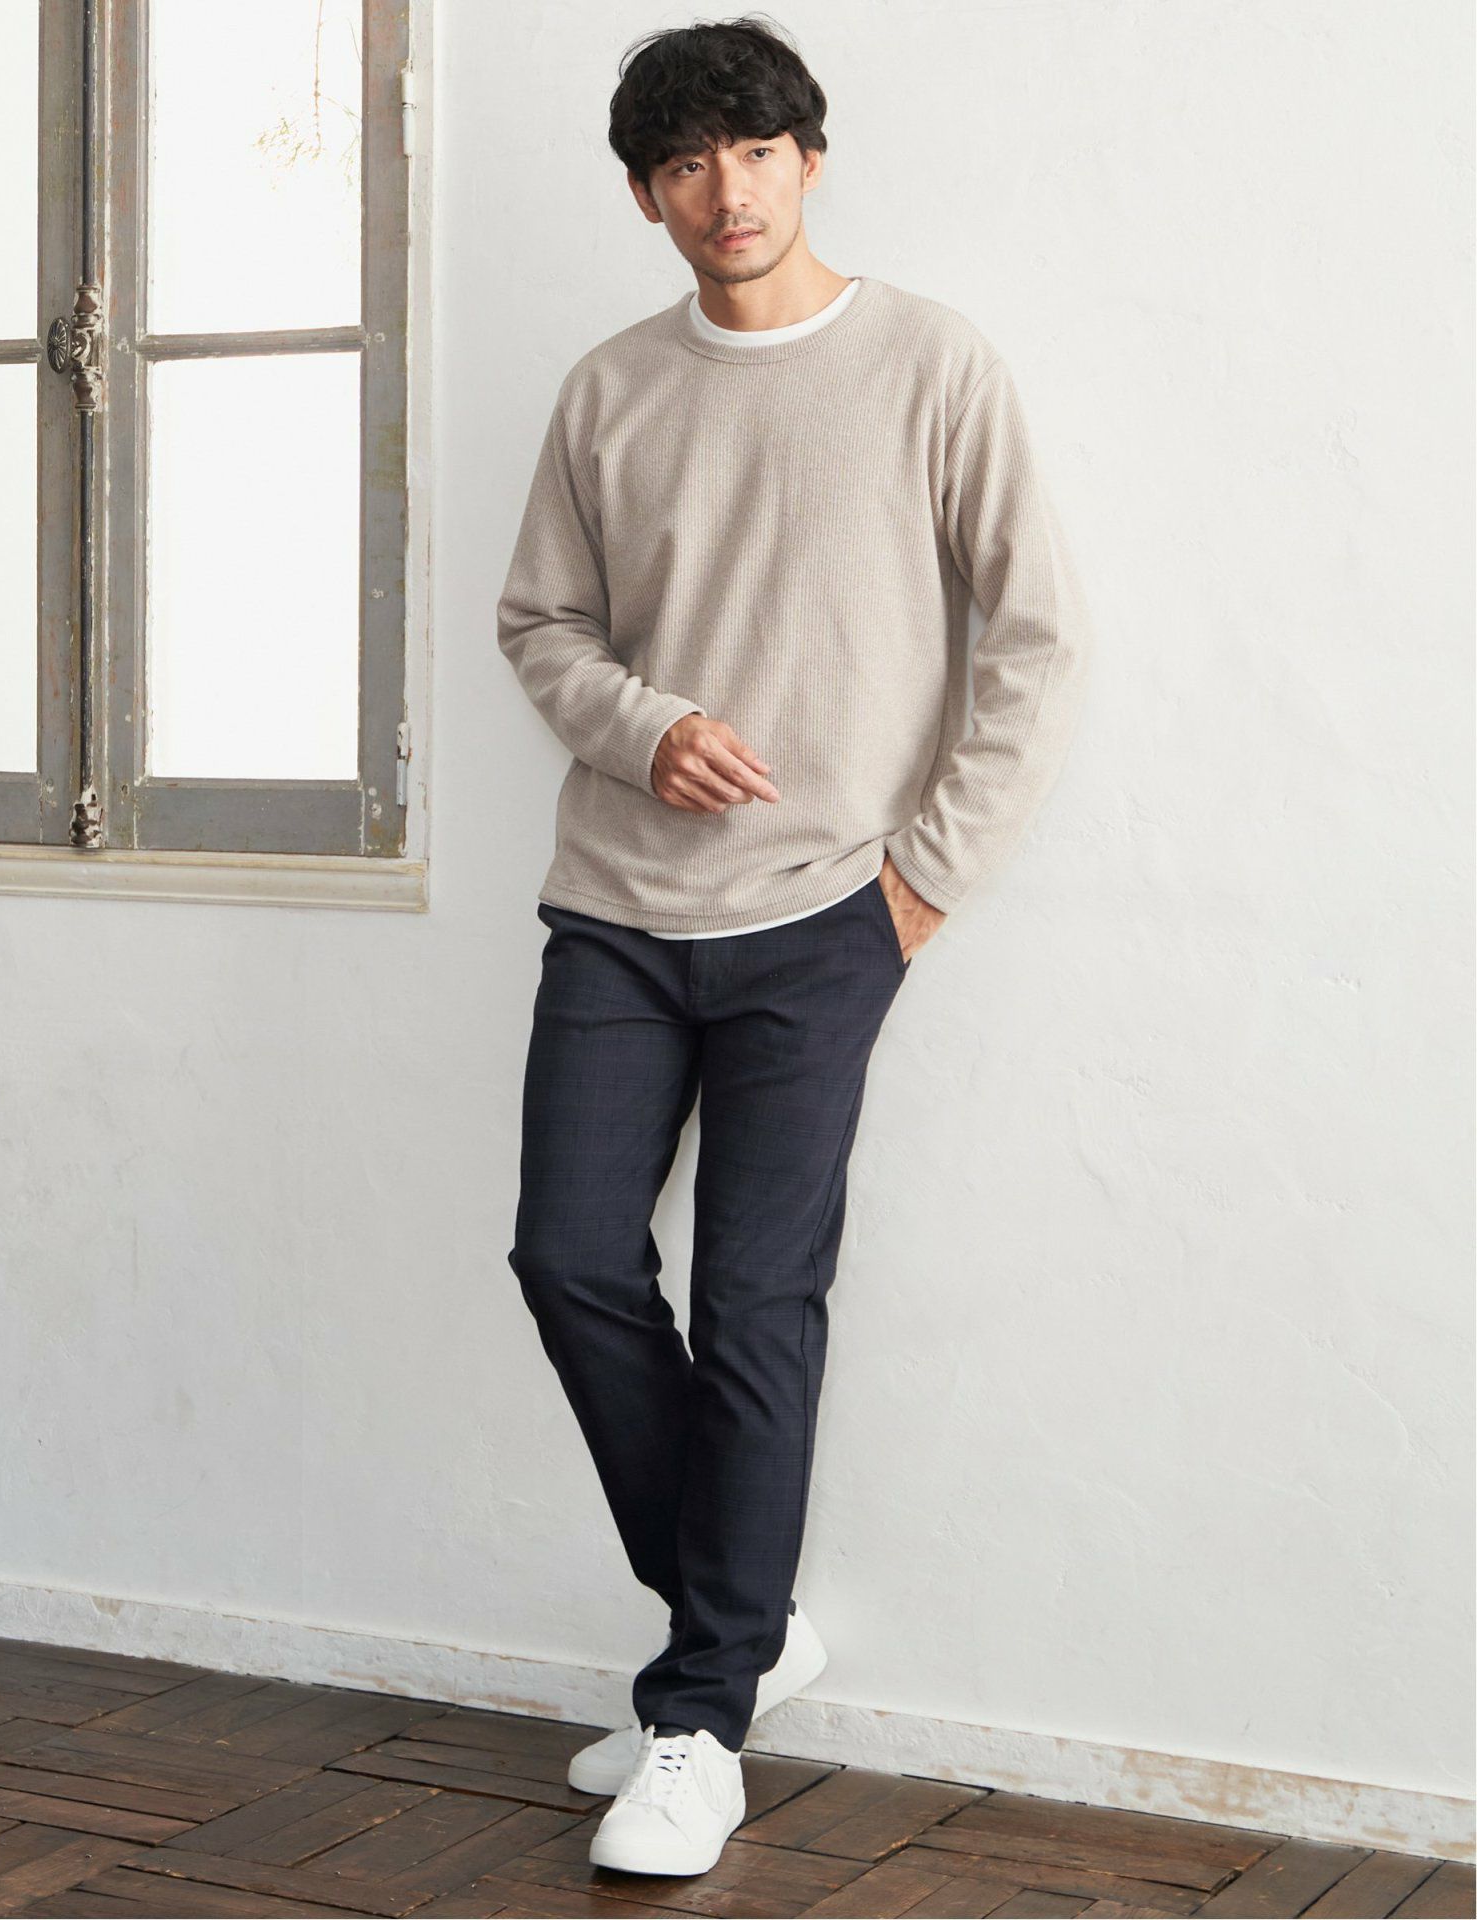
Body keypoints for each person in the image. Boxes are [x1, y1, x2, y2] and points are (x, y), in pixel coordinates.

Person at [496, 14, 1095, 1880]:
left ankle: (699, 1720)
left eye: (754, 151)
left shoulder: (931, 364)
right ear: (646, 196)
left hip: (827, 919)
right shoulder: (610, 389)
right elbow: (541, 625)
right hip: (616, 910)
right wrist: (643, 727)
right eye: (684, 163)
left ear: (808, 160)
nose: (726, 191)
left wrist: (923, 884)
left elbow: (1038, 635)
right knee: (568, 1256)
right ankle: (737, 1632)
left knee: (759, 1303)